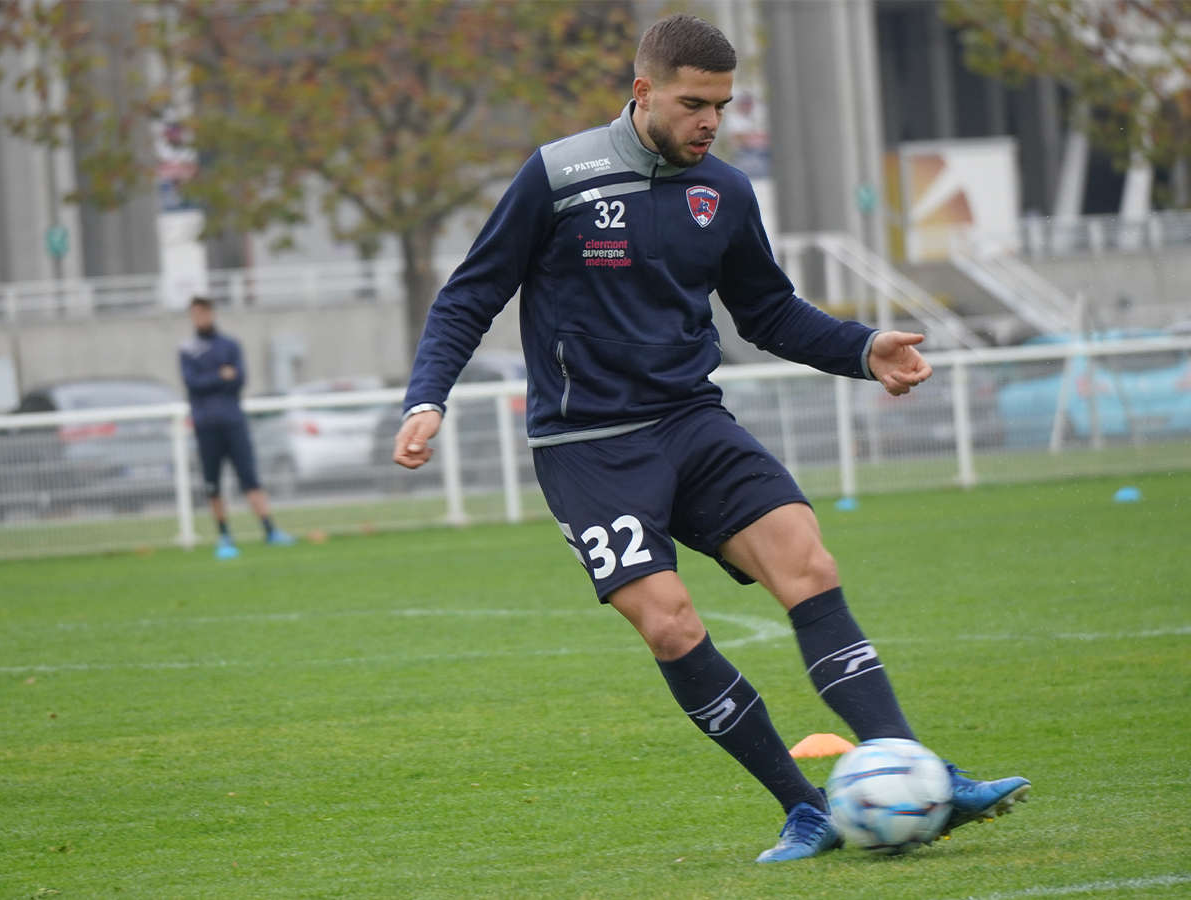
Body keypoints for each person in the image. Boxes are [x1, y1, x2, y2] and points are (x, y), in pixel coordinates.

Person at [393, 14, 1029, 861]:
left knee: (809, 563)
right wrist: (426, 397)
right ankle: (805, 808)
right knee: (670, 626)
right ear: (644, 91)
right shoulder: (557, 176)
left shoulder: (723, 192)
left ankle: (920, 774)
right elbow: (469, 295)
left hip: (691, 423)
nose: (710, 123)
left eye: (722, 107)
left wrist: (861, 347)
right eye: (694, 104)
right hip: (588, 450)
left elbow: (766, 312)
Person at [179, 297, 295, 558]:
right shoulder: (187, 349)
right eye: (196, 314)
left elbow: (239, 378)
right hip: (205, 425)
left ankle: (269, 530)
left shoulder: (229, 344)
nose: (201, 318)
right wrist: (220, 376)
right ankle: (224, 536)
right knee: (213, 483)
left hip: (233, 421)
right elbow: (192, 383)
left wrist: (216, 379)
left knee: (249, 476)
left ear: (212, 314)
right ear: (191, 316)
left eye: (205, 313)